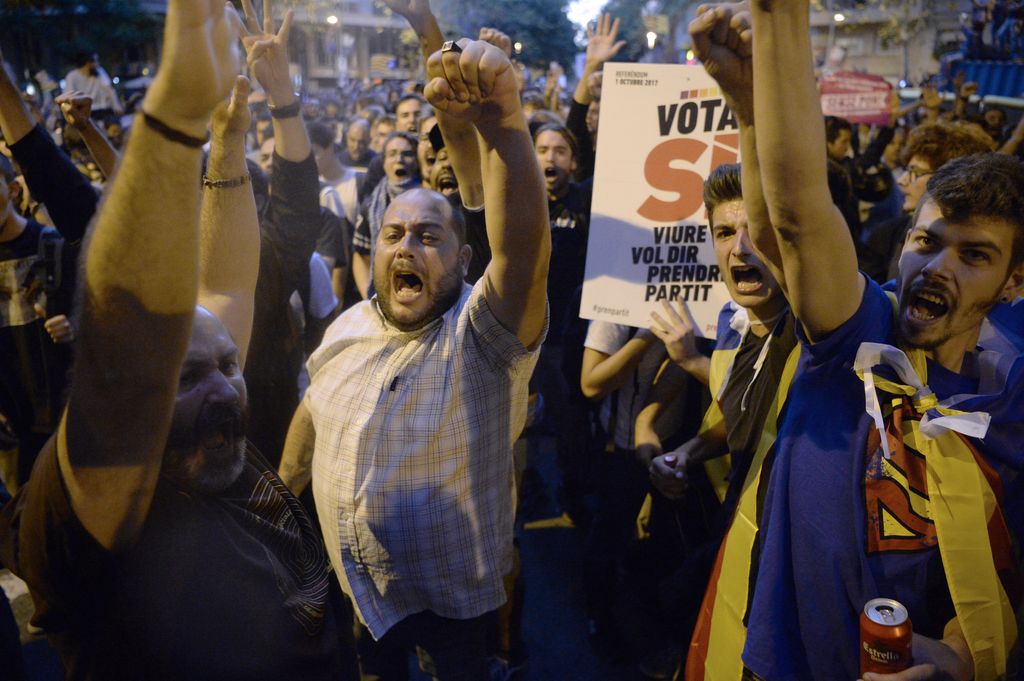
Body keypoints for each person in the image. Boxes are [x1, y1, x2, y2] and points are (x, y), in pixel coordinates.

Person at [0, 0, 358, 676]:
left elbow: (226, 286)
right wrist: (173, 121)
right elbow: (128, 350)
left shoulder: (206, 436)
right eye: (187, 377)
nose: (225, 382)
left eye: (228, 364)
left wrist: (225, 139)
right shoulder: (96, 512)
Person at [691, 3, 1024, 679]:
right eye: (927, 242)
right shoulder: (857, 332)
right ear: (903, 241)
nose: (938, 268)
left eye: (975, 256)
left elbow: (1008, 561)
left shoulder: (1009, 401)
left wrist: (960, 654)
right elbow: (792, 210)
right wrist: (776, 30)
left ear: (1014, 282)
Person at [279, 36, 550, 679]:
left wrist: (505, 125)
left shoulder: (482, 336)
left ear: (462, 259)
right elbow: (310, 421)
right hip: (358, 597)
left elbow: (523, 252)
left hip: (452, 610)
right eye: (395, 235)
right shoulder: (348, 326)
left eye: (430, 236)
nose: (408, 247)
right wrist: (279, 515)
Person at [63, 52, 122, 122]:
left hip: (103, 109)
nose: (98, 64)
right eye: (96, 61)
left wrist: (116, 105)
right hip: (85, 112)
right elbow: (69, 96)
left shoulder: (99, 72)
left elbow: (109, 89)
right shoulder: (72, 76)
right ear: (88, 63)